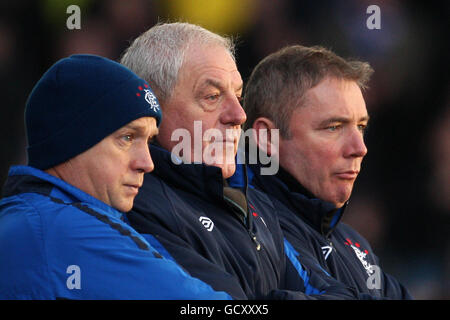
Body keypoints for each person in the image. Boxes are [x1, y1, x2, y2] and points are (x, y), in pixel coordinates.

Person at [121, 22, 373, 300]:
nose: (238, 115)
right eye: (213, 97)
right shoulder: (134, 206)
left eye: (238, 96)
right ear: (153, 110)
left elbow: (330, 290)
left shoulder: (257, 206)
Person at [0, 54, 232, 300]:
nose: (147, 163)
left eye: (150, 140)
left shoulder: (37, 218)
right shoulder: (66, 231)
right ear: (73, 142)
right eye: (128, 138)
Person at [238, 45, 412, 299]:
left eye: (361, 127)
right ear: (267, 137)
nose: (359, 148)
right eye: (333, 127)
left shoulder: (353, 243)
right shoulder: (248, 226)